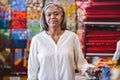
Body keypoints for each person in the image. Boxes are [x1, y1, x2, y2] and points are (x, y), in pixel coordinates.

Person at [27, 2, 98, 80]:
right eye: (49, 14)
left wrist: (92, 70)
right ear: (44, 18)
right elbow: (32, 71)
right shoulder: (37, 40)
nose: (52, 17)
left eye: (56, 14)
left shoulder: (72, 37)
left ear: (62, 16)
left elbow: (81, 64)